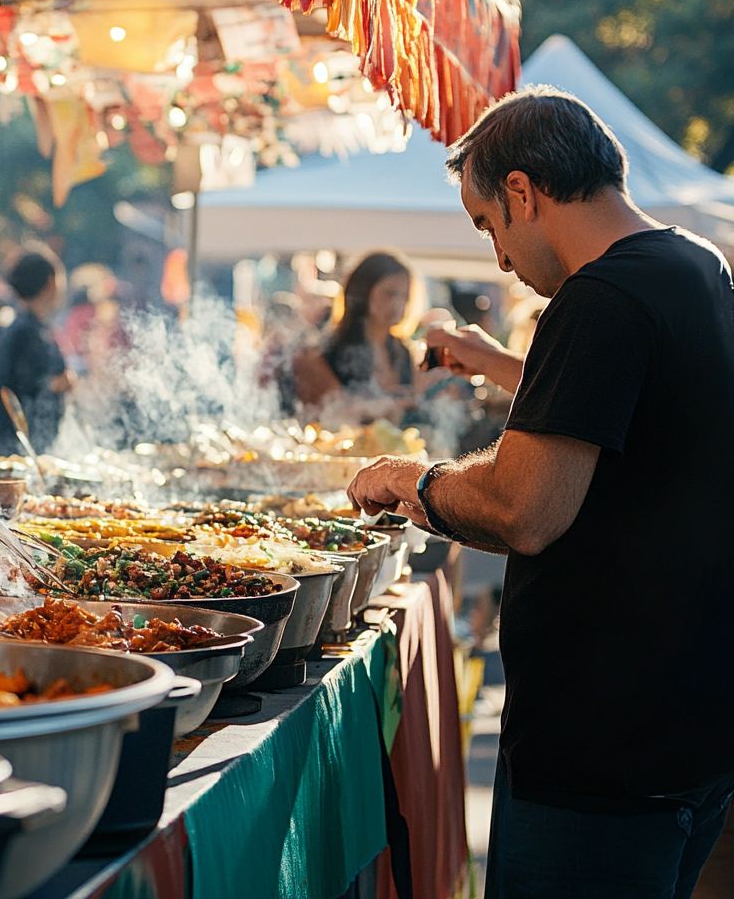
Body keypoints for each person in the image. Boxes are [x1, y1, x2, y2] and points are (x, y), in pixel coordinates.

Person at [347, 87, 734, 899]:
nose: (497, 258)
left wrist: (409, 481)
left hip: (602, 747)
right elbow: (625, 421)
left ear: (522, 191)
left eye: (488, 224)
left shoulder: (596, 301)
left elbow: (527, 508)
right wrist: (496, 362)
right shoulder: (693, 264)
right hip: (689, 729)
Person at [293, 251, 418, 406]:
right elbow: (335, 411)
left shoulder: (402, 352)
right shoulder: (327, 351)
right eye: (389, 294)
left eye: (404, 296)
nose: (398, 304)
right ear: (363, 293)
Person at [0, 248, 71, 457]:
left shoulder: (30, 327)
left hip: (26, 446)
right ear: (51, 282)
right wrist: (59, 383)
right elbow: (25, 387)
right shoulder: (26, 331)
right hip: (13, 448)